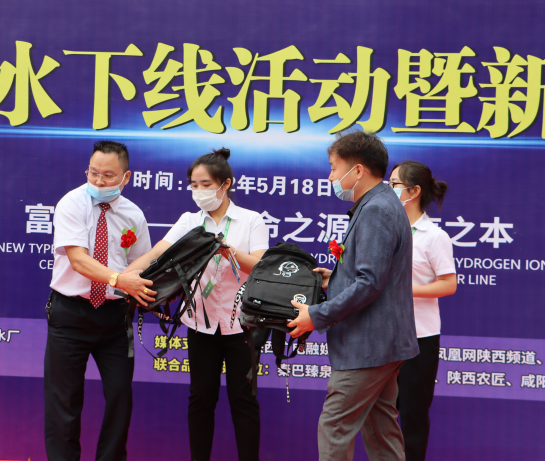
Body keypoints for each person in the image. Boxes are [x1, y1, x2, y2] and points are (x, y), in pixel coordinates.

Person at [125, 148, 268, 461]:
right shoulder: (189, 221)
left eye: (206, 185)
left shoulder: (251, 220)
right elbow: (159, 253)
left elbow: (260, 266)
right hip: (200, 324)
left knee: (243, 400)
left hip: (242, 326)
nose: (199, 191)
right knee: (201, 399)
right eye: (194, 185)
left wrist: (228, 250)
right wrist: (126, 276)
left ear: (225, 184)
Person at [287, 131, 419, 461]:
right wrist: (335, 278)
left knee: (335, 426)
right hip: (384, 343)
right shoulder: (380, 203)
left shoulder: (376, 209)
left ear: (357, 170)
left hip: (369, 345)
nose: (330, 177)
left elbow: (370, 282)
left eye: (334, 168)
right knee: (381, 429)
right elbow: (371, 275)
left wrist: (315, 315)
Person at [44, 140, 155, 461]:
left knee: (120, 396)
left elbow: (142, 264)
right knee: (63, 401)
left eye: (108, 176)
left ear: (126, 177)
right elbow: (78, 260)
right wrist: (119, 279)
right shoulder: (72, 203)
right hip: (70, 314)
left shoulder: (133, 214)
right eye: (93, 173)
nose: (99, 181)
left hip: (115, 317)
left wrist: (146, 289)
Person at [390, 161, 456, 461]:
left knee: (412, 415)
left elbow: (448, 284)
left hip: (419, 338)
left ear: (414, 191)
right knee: (381, 413)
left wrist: (406, 290)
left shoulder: (434, 236)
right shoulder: (387, 230)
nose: (388, 190)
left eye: (394, 185)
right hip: (382, 335)